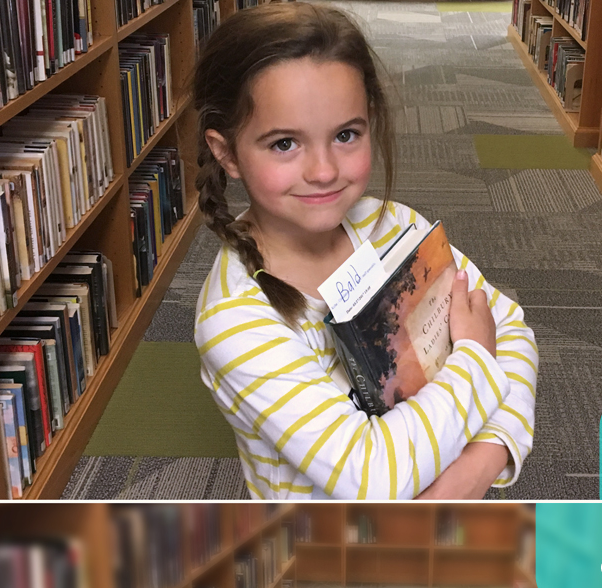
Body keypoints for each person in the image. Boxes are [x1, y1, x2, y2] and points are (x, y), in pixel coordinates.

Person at [191, 5, 538, 501]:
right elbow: (374, 479)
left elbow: (511, 327)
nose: (325, 170)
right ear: (227, 154)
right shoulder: (236, 318)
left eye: (345, 135)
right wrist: (478, 359)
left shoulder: (392, 226)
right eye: (285, 143)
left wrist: (484, 460)